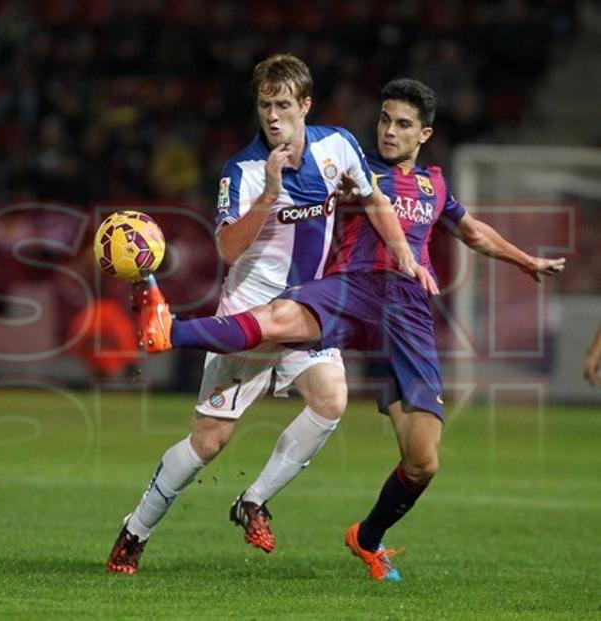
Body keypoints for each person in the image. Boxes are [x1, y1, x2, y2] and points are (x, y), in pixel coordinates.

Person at [134, 78, 566, 581]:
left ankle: (368, 537)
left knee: (423, 461)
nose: (388, 131)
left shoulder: (434, 184)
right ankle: (171, 330)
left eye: (402, 124)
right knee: (280, 318)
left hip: (406, 310)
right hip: (351, 287)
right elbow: (306, 184)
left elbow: (471, 231)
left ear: (423, 133)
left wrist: (523, 260)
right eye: (384, 119)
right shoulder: (348, 164)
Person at [106, 56, 430, 574]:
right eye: (264, 105)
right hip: (249, 316)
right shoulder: (243, 171)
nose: (273, 116)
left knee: (331, 400)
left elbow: (375, 201)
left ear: (305, 105)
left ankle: (252, 501)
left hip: (308, 309)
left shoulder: (338, 145)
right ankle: (135, 530)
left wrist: (406, 255)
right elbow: (229, 250)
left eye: (283, 105)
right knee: (209, 441)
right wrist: (271, 194)